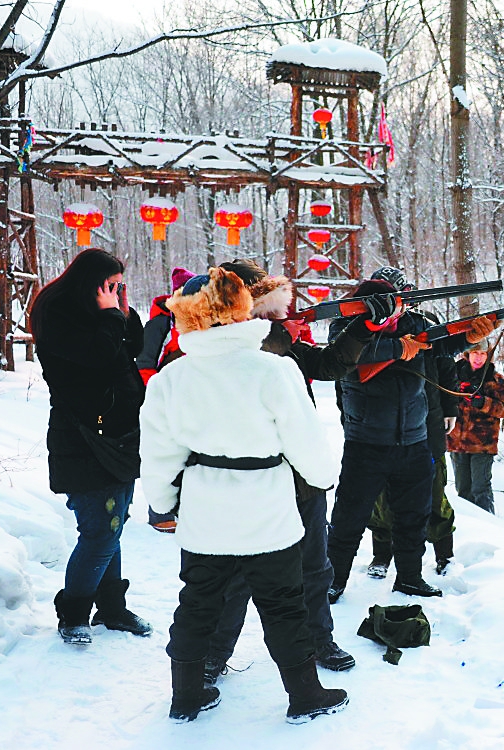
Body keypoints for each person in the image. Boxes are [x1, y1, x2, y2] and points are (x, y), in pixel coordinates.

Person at [139, 267, 347, 724]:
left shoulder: (170, 379)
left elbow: (158, 456)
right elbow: (306, 444)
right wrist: (321, 477)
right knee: (284, 605)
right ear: (240, 309)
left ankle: (186, 697)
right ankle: (305, 695)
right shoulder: (274, 369)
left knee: (196, 604)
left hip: (205, 511)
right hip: (267, 511)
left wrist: (164, 503)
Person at [201, 259, 393, 681]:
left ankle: (319, 640)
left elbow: (328, 367)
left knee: (314, 565)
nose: (282, 317)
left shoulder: (284, 343)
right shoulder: (220, 342)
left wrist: (365, 326)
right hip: (253, 479)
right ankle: (213, 656)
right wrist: (277, 336)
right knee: (238, 575)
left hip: (302, 475)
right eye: (269, 311)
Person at [325, 266, 496, 603]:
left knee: (414, 516)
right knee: (350, 517)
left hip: (415, 438)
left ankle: (410, 578)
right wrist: (395, 347)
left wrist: (472, 335)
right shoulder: (344, 326)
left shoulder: (415, 324)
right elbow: (346, 355)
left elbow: (442, 346)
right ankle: (334, 580)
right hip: (366, 441)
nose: (398, 305)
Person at [29, 247, 152, 645]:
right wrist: (111, 315)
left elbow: (131, 348)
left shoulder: (102, 316)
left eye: (120, 287)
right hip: (83, 437)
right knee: (100, 531)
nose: (116, 294)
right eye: (111, 287)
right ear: (91, 286)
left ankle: (112, 609)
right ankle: (75, 613)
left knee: (110, 526)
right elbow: (99, 358)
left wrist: (125, 313)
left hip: (115, 435)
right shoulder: (59, 314)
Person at [366, 321, 459, 579]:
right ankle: (382, 556)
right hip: (380, 429)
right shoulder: (367, 328)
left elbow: (446, 363)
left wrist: (450, 408)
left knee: (435, 493)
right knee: (382, 498)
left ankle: (444, 555)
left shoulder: (425, 322)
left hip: (428, 426)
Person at [137, 265, 195, 533]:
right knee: (165, 452)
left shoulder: (197, 321)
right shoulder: (160, 323)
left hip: (192, 393)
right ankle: (159, 512)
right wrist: (157, 391)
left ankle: (187, 508)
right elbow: (145, 361)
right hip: (165, 393)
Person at [447, 342, 504, 514]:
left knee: (480, 490)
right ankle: (469, 528)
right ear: (467, 354)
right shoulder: (452, 373)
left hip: (482, 444)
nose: (478, 358)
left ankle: (489, 526)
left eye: (483, 354)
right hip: (457, 442)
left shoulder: (495, 379)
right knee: (462, 491)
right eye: (475, 352)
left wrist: (483, 402)